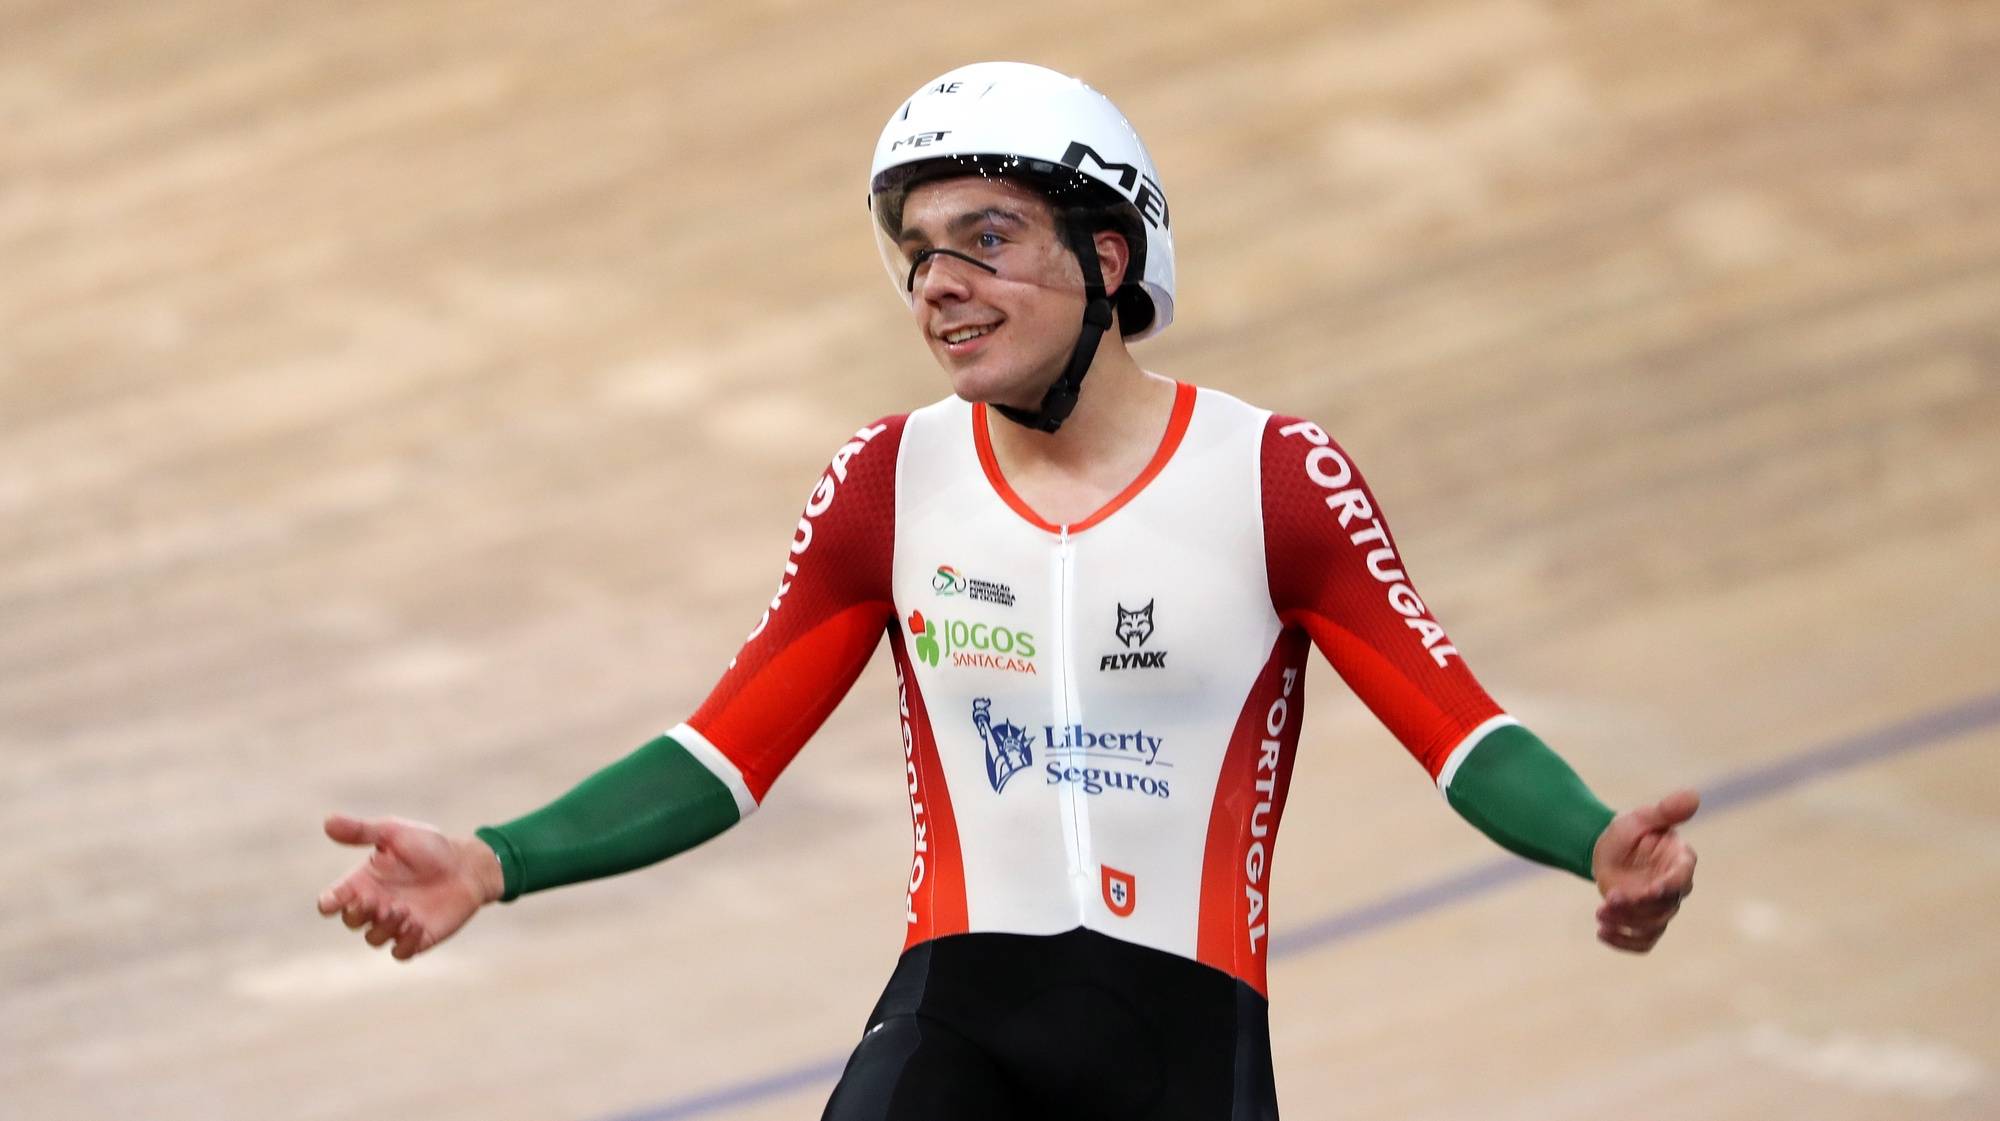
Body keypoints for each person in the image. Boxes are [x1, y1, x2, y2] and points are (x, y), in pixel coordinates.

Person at [318, 62, 1699, 1120]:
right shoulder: (888, 479)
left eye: (985, 238)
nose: (939, 285)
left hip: (1180, 1044)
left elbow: (1455, 723)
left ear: (1106, 260)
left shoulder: (1275, 473)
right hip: (951, 1031)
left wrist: (1593, 839)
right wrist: (501, 859)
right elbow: (723, 749)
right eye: (918, 252)